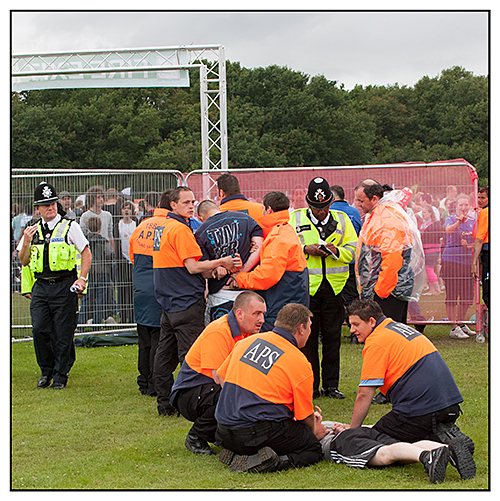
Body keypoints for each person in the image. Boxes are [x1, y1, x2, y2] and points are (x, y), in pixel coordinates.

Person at [340, 298, 475, 478]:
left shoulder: (376, 341)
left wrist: (353, 429)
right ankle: (444, 435)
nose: (352, 330)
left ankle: (441, 447)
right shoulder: (398, 328)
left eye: (356, 324)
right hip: (448, 404)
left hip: (420, 410)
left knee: (374, 438)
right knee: (397, 428)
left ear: (371, 321)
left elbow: (364, 394)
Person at [152, 186, 242, 416]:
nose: (192, 206)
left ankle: (165, 403)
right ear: (173, 205)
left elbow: (183, 265)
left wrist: (212, 271)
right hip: (185, 300)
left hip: (168, 298)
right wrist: (221, 261)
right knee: (190, 357)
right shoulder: (181, 229)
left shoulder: (161, 227)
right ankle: (191, 402)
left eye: (193, 202)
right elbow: (192, 266)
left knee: (164, 353)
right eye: (186, 202)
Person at [215, 303, 325, 473]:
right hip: (257, 433)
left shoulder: (246, 342)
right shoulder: (299, 361)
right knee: (313, 449)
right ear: (301, 328)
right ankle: (274, 461)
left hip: (223, 431)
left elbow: (219, 376)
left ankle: (239, 453)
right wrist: (312, 434)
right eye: (310, 327)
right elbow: (304, 417)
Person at [170, 291, 267, 455]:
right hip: (189, 393)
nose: (262, 320)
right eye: (257, 314)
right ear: (239, 314)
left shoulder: (248, 335)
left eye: (263, 314)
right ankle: (196, 436)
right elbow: (219, 377)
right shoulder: (219, 331)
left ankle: (221, 436)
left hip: (206, 389)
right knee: (230, 395)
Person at [17, 182, 91, 389]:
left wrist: (82, 278)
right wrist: (26, 242)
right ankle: (46, 370)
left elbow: (86, 252)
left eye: (52, 203)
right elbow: (23, 261)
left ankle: (60, 375)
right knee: (40, 329)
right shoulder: (31, 230)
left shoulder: (70, 226)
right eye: (45, 205)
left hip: (64, 284)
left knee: (62, 331)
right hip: (41, 286)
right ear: (37, 208)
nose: (50, 208)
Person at [290, 178, 358, 399]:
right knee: (307, 340)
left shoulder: (343, 219)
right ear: (309, 204)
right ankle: (311, 386)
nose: (321, 211)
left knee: (332, 338)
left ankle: (331, 386)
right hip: (307, 289)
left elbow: (353, 251)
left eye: (325, 206)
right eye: (317, 207)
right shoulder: (295, 218)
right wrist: (306, 249)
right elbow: (288, 248)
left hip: (334, 289)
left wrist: (334, 251)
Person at [228, 191, 309, 331]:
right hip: (290, 298)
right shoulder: (285, 230)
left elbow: (267, 275)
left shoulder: (278, 238)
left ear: (269, 209)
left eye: (263, 210)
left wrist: (240, 279)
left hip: (280, 303)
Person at [319, 420, 475, 483]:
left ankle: (427, 457)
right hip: (361, 430)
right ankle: (449, 449)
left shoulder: (305, 428)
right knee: (405, 447)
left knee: (384, 454)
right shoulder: (322, 423)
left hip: (341, 441)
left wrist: (321, 424)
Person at [354, 180, 416, 323]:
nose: (358, 204)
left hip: (388, 293)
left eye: (361, 200)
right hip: (385, 288)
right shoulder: (380, 214)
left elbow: (392, 258)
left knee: (388, 334)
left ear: (374, 199)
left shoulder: (386, 218)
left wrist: (380, 291)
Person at [128, 191, 171, 397]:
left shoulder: (142, 225)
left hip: (140, 288)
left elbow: (132, 256)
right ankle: (155, 383)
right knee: (158, 339)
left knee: (144, 338)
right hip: (159, 287)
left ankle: (144, 381)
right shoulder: (171, 227)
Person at [195, 199, 264, 323]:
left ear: (200, 218)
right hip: (248, 291)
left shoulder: (200, 233)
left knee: (221, 338)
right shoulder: (246, 219)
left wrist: (216, 270)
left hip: (221, 295)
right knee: (248, 339)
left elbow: (204, 271)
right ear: (218, 208)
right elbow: (259, 248)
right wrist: (241, 272)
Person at [441, 193, 476, 339]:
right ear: (456, 206)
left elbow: (478, 240)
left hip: (467, 262)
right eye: (460, 205)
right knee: (452, 294)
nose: (463, 207)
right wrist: (458, 223)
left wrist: (470, 246)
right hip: (451, 261)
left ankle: (461, 323)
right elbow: (449, 230)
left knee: (467, 295)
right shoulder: (450, 218)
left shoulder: (473, 220)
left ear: (469, 205)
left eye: (465, 204)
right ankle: (453, 326)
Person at [78, 216, 114, 327]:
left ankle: (81, 323)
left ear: (88, 227)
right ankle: (97, 324)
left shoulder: (85, 241)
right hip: (103, 272)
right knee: (100, 299)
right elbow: (110, 253)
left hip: (89, 272)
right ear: (100, 227)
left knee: (87, 298)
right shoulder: (104, 241)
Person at [114, 200, 137, 324]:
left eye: (128, 208)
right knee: (122, 290)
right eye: (124, 208)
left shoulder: (136, 224)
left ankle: (132, 316)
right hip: (122, 261)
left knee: (133, 289)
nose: (126, 210)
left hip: (133, 261)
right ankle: (123, 318)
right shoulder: (118, 225)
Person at [420, 205, 444, 296]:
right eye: (422, 212)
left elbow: (438, 236)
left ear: (430, 213)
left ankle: (437, 289)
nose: (423, 214)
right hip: (425, 249)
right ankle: (432, 289)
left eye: (425, 212)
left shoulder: (435, 224)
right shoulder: (424, 223)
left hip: (432, 249)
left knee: (429, 268)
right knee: (428, 269)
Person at [471, 186, 489, 310]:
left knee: (487, 292)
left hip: (487, 253)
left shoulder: (485, 213)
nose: (480, 200)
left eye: (483, 198)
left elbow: (479, 239)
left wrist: (473, 262)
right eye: (478, 197)